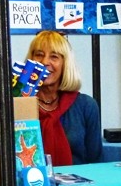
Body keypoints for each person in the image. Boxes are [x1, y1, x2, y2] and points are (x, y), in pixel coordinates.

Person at [25, 30, 102, 166]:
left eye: (54, 57)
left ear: (65, 64)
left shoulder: (86, 106)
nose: (45, 62)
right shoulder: (18, 103)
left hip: (78, 184)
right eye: (39, 55)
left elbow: (95, 161)